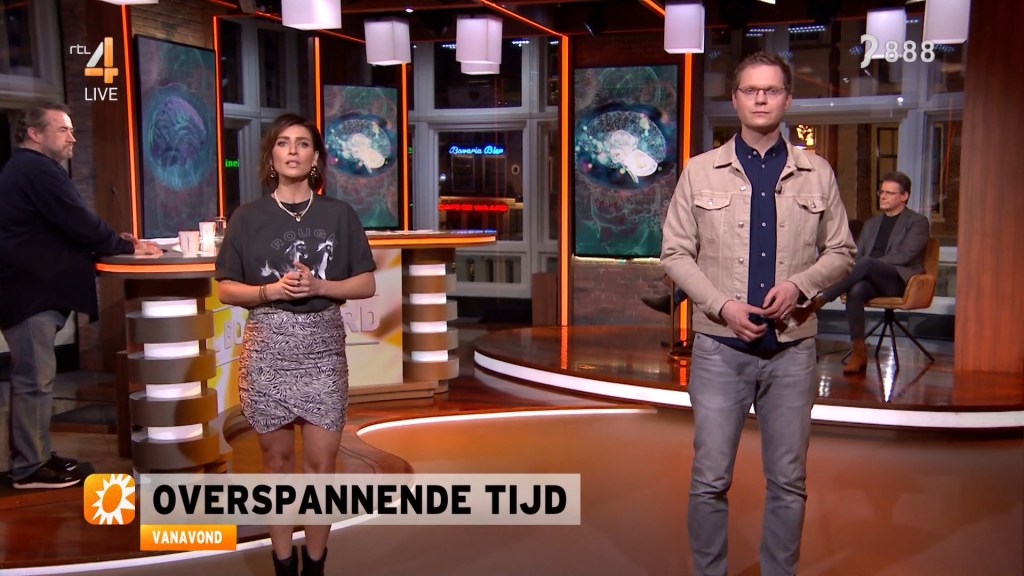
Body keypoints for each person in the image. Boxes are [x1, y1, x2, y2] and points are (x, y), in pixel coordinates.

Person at [660, 52, 855, 576]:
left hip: (792, 351)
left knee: (789, 481)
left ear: (787, 99)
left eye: (771, 90)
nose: (761, 98)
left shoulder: (817, 173)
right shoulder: (700, 170)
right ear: (736, 99)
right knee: (710, 479)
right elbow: (674, 253)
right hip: (719, 351)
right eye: (751, 90)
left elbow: (842, 251)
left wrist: (799, 285)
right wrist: (722, 305)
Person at [215, 113, 376, 576]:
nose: (292, 151)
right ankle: (283, 563)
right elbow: (226, 288)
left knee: (321, 465)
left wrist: (319, 286)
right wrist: (271, 291)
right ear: (271, 157)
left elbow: (365, 283)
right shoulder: (248, 218)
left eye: (303, 144)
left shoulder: (339, 215)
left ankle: (316, 564)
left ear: (316, 158)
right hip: (268, 350)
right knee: (277, 462)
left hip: (323, 352)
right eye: (283, 143)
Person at [0, 102, 160, 490]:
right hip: (28, 294)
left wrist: (111, 241)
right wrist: (124, 246)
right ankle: (29, 468)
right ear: (34, 133)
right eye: (63, 129)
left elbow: (61, 226)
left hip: (29, 291)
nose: (72, 137)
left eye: (72, 129)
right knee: (33, 381)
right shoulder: (35, 170)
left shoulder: (30, 169)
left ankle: (35, 457)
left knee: (35, 380)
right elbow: (77, 220)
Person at [811, 172, 929, 373]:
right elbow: (858, 255)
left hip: (898, 280)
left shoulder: (917, 222)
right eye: (881, 192)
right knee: (856, 290)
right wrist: (865, 266)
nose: (883, 196)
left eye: (889, 193)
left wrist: (870, 265)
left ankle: (823, 297)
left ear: (904, 196)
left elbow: (905, 256)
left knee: (865, 264)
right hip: (869, 277)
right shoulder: (872, 224)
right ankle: (858, 351)